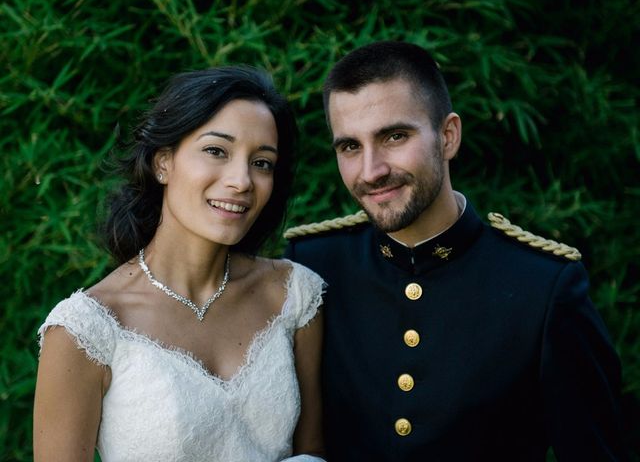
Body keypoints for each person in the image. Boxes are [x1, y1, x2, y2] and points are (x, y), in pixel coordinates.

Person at [284, 41, 626, 460]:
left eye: (394, 136)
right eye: (350, 147)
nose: (371, 170)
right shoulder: (312, 265)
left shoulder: (544, 289)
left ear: (448, 137)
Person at [34, 66, 326, 461]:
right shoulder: (86, 330)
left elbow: (313, 453)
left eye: (262, 163)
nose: (241, 180)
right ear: (163, 163)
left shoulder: (294, 296)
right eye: (216, 151)